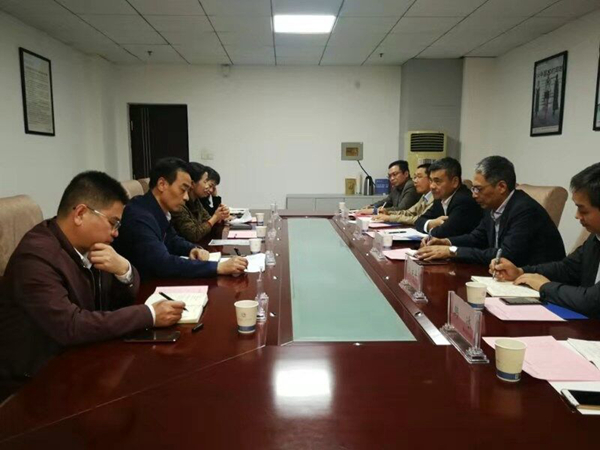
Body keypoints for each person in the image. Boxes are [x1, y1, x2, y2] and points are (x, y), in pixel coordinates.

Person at [0, 171, 186, 389]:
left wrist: (124, 270)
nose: (116, 233)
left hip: (82, 357)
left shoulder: (89, 245)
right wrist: (149, 315)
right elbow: (71, 326)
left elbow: (115, 301)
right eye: (113, 223)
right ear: (80, 213)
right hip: (35, 380)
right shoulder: (36, 257)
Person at [491, 163, 600, 319]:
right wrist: (521, 272)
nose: (577, 216)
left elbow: (592, 301)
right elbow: (567, 268)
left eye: (583, 210)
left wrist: (545, 287)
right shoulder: (595, 238)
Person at [417, 156, 565, 265]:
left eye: (479, 189)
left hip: (535, 282)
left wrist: (452, 251)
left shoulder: (525, 210)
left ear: (501, 187)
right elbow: (477, 237)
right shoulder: (491, 206)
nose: (474, 195)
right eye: (473, 188)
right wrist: (446, 242)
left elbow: (504, 254)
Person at [114, 158, 247, 280]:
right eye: (183, 190)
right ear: (162, 184)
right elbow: (162, 264)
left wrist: (192, 249)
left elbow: (172, 239)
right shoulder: (139, 216)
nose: (186, 197)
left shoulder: (157, 209)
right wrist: (217, 268)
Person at [414, 157, 482, 237]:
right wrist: (430, 224)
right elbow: (418, 221)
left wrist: (431, 230)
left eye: (437, 181)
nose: (432, 186)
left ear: (455, 182)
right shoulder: (440, 198)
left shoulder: (464, 200)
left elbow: (443, 233)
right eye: (431, 180)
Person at [171, 162, 229, 243]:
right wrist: (215, 217)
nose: (207, 187)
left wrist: (220, 216)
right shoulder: (179, 205)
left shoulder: (196, 201)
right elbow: (193, 235)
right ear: (192, 184)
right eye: (205, 182)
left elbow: (208, 220)